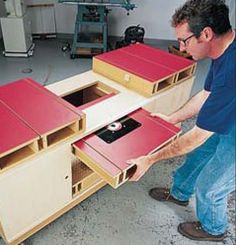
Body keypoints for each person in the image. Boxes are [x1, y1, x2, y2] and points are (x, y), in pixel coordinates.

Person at [127, 0, 235, 242]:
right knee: (198, 157)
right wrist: (172, 118)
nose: (181, 47)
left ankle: (214, 229)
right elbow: (206, 94)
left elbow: (196, 135)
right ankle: (179, 193)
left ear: (206, 34)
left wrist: (150, 159)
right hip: (230, 108)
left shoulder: (231, 73)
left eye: (184, 40)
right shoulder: (224, 49)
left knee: (212, 185)